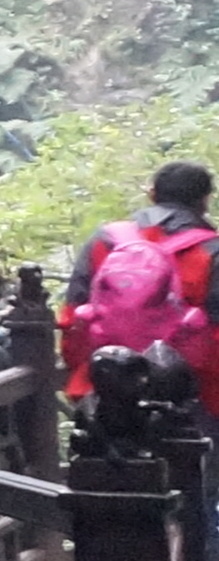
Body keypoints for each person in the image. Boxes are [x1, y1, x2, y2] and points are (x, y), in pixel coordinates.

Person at [60, 159, 219, 400]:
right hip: (196, 396)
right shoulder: (211, 251)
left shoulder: (106, 240)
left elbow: (72, 316)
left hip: (106, 386)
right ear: (205, 200)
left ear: (152, 194)